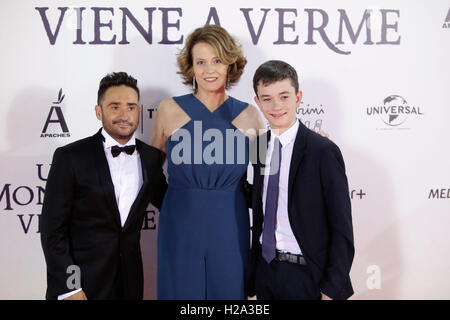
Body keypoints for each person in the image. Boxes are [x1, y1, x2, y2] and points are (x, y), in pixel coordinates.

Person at [150, 24, 265, 299]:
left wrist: (310, 145)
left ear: (230, 65)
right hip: (179, 223)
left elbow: (269, 178)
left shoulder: (250, 116)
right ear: (190, 67)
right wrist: (178, 201)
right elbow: (150, 171)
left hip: (230, 225)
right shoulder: (169, 110)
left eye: (217, 61)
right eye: (200, 62)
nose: (209, 70)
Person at [40, 72, 167, 300]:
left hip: (129, 282)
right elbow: (53, 231)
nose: (123, 115)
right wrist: (71, 286)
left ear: (139, 111)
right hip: (81, 284)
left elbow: (171, 202)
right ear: (99, 111)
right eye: (114, 106)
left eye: (130, 107)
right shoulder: (71, 157)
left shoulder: (151, 158)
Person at [247, 60, 354, 300]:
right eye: (267, 98)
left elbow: (342, 227)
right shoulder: (259, 146)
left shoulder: (322, 151)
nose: (276, 106)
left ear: (298, 97)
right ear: (257, 102)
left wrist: (331, 289)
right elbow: (261, 204)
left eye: (284, 96)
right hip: (266, 271)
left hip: (307, 275)